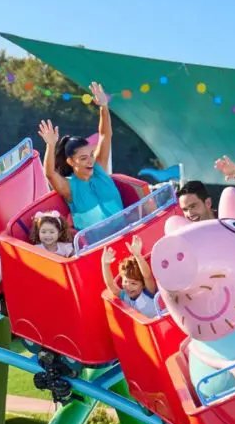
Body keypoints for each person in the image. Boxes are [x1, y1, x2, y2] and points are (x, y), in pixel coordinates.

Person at [38, 82, 120, 230]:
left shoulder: (99, 168)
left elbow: (105, 135)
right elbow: (50, 174)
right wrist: (50, 145)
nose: (90, 161)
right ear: (70, 161)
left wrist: (104, 107)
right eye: (83, 158)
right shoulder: (69, 187)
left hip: (125, 233)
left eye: (91, 155)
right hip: (97, 245)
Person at [175, 155, 235, 223]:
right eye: (185, 210)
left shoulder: (229, 216)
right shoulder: (188, 234)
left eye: (193, 206)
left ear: (208, 203)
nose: (189, 214)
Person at [102, 235, 158, 318]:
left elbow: (147, 275)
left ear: (143, 285)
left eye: (133, 283)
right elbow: (111, 285)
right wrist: (105, 264)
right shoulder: (126, 296)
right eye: (125, 281)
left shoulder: (149, 292)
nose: (128, 286)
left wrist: (137, 255)